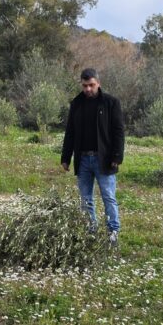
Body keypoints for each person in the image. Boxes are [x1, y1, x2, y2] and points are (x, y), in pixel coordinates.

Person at [61, 68, 125, 245]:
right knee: (85, 199)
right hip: (82, 160)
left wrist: (117, 157)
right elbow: (70, 133)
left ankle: (113, 232)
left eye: (91, 85)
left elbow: (119, 132)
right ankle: (90, 231)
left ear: (98, 83)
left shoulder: (111, 103)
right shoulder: (76, 104)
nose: (88, 89)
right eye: (85, 86)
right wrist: (65, 158)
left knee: (108, 196)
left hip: (103, 159)